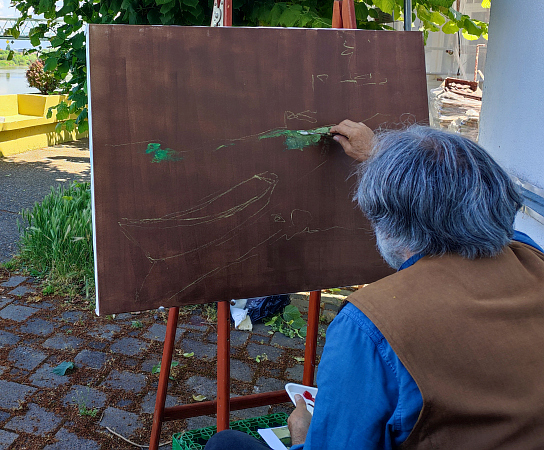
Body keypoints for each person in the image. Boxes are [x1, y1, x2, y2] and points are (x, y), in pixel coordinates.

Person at [205, 121, 544, 450]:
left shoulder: (371, 324)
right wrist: (379, 154)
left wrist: (303, 437)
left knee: (225, 443)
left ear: (389, 227)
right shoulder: (531, 255)